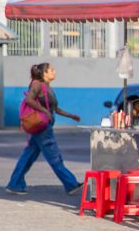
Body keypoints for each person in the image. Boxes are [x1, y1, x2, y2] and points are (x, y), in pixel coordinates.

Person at [6, 63, 83, 196]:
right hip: (42, 127)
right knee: (54, 156)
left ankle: (14, 184)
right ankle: (71, 184)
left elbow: (55, 109)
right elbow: (29, 99)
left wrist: (71, 116)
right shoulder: (37, 84)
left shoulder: (48, 87)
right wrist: (44, 111)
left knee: (28, 156)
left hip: (43, 126)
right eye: (51, 70)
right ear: (44, 74)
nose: (54, 72)